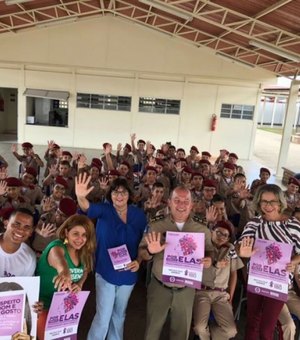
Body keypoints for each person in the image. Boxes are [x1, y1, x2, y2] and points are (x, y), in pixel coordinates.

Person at [75, 174, 147, 340]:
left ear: (129, 195)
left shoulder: (139, 215)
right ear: (110, 195)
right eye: (115, 192)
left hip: (129, 272)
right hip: (106, 271)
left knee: (119, 315)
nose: (119, 196)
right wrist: (80, 196)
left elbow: (144, 242)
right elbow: (87, 207)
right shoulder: (105, 209)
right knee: (103, 316)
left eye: (123, 192)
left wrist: (139, 260)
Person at [141, 185, 214, 340]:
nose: (181, 205)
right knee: (151, 331)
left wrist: (209, 260)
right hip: (159, 287)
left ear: (192, 204)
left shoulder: (201, 228)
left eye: (185, 201)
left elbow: (210, 250)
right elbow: (141, 252)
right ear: (169, 202)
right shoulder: (156, 225)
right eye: (177, 200)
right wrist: (149, 252)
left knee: (181, 333)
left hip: (186, 290)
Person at [237, 184, 300, 340]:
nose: (268, 205)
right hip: (257, 279)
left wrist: (294, 261)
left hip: (279, 281)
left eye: (273, 201)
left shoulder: (293, 225)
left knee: (267, 329)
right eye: (264, 201)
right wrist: (242, 251)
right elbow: (240, 246)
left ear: (280, 202)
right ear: (258, 203)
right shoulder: (254, 223)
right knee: (252, 323)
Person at [36, 214, 96, 340]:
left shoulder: (83, 252)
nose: (80, 239)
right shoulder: (56, 246)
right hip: (43, 307)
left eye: (84, 235)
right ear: (66, 232)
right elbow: (59, 259)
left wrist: (79, 284)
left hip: (65, 310)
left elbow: (85, 271)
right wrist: (64, 271)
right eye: (76, 233)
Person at [193, 220, 243, 340]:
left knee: (231, 331)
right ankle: (204, 334)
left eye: (225, 235)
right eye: (218, 233)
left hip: (221, 294)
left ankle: (209, 335)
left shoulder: (230, 249)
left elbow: (234, 274)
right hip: (201, 292)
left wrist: (230, 296)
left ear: (228, 238)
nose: (221, 237)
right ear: (211, 232)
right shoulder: (202, 245)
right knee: (199, 327)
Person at [0, 208, 36, 277]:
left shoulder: (29, 258)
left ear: (31, 232)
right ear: (6, 224)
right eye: (16, 224)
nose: (21, 230)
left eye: (27, 227)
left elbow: (25, 286)